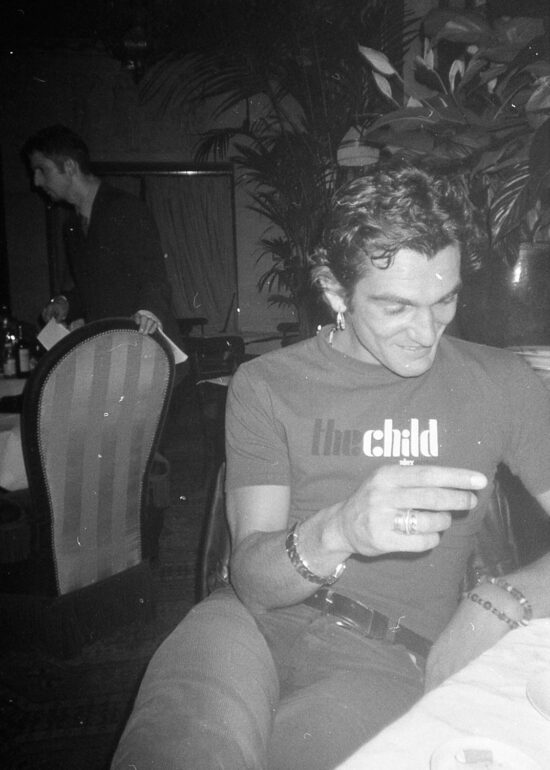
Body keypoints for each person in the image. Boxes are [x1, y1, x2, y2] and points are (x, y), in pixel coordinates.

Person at [111, 162, 550, 770]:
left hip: (387, 658)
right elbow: (253, 580)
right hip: (245, 627)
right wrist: (341, 528)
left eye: (445, 299)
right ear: (336, 292)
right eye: (396, 307)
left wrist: (496, 602)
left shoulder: (502, 383)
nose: (427, 332)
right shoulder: (267, 384)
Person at [22, 125, 181, 346]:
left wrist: (148, 311)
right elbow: (98, 288)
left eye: (42, 170)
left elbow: (154, 277)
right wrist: (66, 303)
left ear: (69, 166)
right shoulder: (72, 227)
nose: (36, 181)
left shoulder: (125, 208)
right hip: (113, 348)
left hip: (148, 347)